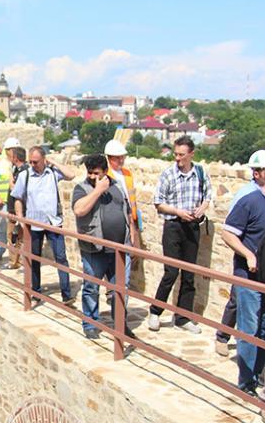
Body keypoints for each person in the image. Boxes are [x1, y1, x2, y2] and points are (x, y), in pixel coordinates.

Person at [221, 158, 265, 395]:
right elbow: (228, 233)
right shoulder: (250, 202)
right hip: (249, 277)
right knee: (249, 328)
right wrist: (247, 255)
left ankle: (261, 375)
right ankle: (246, 382)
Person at [148, 136, 212, 333]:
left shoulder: (200, 173)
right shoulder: (168, 175)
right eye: (175, 154)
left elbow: (208, 195)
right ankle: (155, 311)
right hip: (174, 227)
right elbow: (158, 202)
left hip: (192, 227)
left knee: (189, 274)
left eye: (181, 155)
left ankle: (183, 317)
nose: (177, 158)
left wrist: (202, 208)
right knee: (171, 272)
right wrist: (177, 212)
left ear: (191, 154)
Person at [72, 154, 135, 340]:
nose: (92, 176)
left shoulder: (117, 187)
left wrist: (132, 238)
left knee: (121, 289)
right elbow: (79, 210)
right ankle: (90, 324)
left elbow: (127, 212)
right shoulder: (81, 188)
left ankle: (120, 324)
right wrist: (98, 190)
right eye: (90, 173)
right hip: (94, 249)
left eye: (96, 173)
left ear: (105, 172)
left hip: (119, 250)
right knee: (91, 287)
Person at [11, 145, 77, 306]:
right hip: (33, 224)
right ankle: (36, 291)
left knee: (61, 258)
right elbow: (18, 198)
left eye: (36, 162)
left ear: (44, 160)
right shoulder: (25, 176)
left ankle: (66, 294)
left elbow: (71, 175)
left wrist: (53, 162)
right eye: (31, 162)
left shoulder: (53, 173)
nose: (32, 165)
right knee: (34, 258)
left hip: (53, 222)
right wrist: (20, 220)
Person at [104, 138, 140, 285]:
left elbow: (132, 200)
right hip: (112, 224)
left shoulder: (127, 174)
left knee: (126, 261)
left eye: (122, 157)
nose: (121, 160)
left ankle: (119, 295)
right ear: (109, 158)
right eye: (117, 158)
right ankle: (112, 289)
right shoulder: (105, 175)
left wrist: (136, 226)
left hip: (129, 221)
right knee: (111, 259)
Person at [6, 143, 27, 269]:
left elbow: (16, 190)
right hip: (15, 209)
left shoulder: (23, 172)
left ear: (16, 158)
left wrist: (10, 180)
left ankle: (16, 262)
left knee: (14, 236)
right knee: (17, 236)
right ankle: (17, 261)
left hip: (17, 210)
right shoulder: (19, 170)